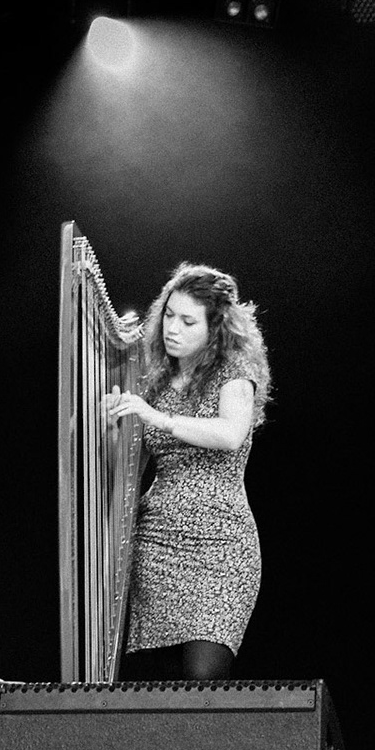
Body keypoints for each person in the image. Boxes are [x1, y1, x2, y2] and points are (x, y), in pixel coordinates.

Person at [104, 263, 270, 681]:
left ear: (215, 329)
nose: (172, 328)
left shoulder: (234, 374)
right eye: (168, 315)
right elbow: (128, 466)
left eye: (188, 321)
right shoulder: (155, 383)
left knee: (202, 682)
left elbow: (230, 434)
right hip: (156, 543)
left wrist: (157, 418)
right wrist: (109, 427)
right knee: (159, 690)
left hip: (220, 545)